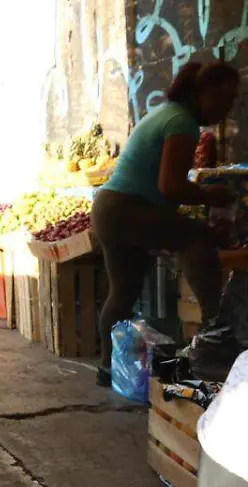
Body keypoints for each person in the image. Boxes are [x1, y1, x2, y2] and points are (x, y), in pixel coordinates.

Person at [94, 61, 239, 385]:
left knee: (123, 292)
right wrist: (211, 196)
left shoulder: (167, 113)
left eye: (232, 101)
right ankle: (215, 328)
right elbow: (171, 187)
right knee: (195, 235)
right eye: (222, 98)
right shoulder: (182, 123)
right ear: (199, 93)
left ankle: (108, 368)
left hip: (110, 210)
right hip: (126, 210)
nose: (225, 108)